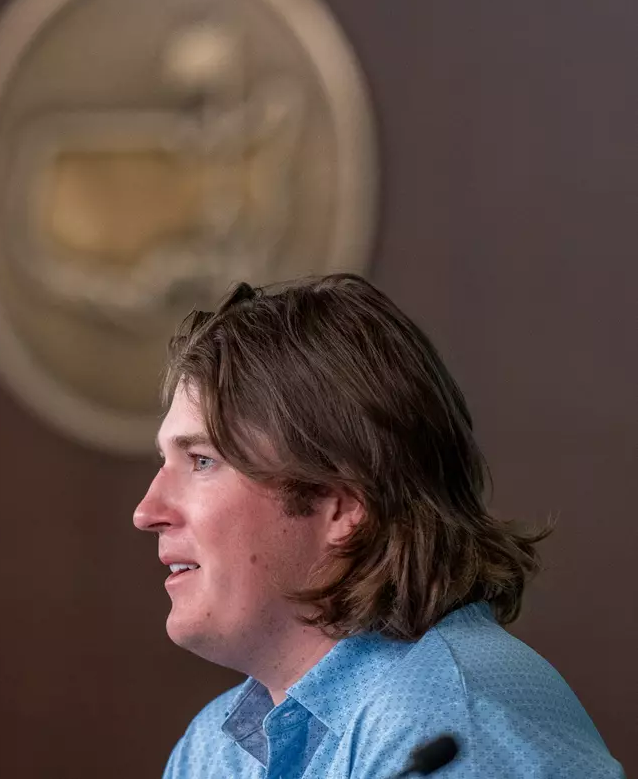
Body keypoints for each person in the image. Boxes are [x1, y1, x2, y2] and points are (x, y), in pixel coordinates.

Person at [133, 275, 624, 777]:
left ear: (342, 505)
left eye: (201, 461)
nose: (147, 511)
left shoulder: (453, 732)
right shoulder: (214, 754)